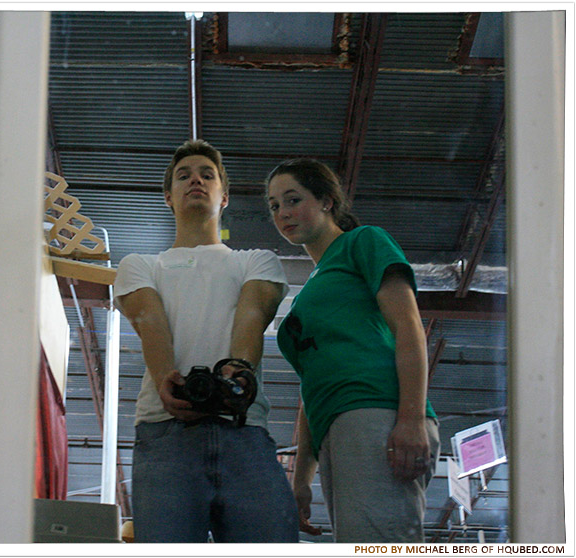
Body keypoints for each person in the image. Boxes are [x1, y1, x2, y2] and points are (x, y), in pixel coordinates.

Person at [113, 139, 299, 543]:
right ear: (168, 196)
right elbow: (150, 321)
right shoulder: (140, 265)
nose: (195, 179)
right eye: (184, 176)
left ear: (224, 196)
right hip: (165, 432)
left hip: (244, 427)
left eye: (207, 175)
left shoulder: (256, 260)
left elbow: (253, 314)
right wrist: (169, 382)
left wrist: (239, 371)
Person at [265, 158, 439, 542]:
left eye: (293, 199)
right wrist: (300, 480)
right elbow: (312, 387)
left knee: (379, 544)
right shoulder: (310, 290)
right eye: (275, 206)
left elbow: (409, 325)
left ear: (328, 201)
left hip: (377, 413)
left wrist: (410, 418)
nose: (283, 213)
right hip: (337, 429)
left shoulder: (363, 242)